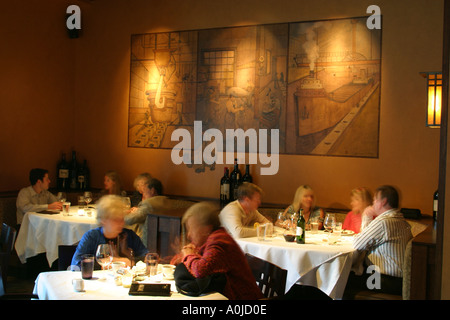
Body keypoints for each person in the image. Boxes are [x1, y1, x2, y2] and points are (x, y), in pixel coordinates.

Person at [172, 202, 263, 300]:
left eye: (192, 229)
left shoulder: (220, 241)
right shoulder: (210, 240)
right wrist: (185, 255)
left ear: (206, 228)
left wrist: (189, 256)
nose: (189, 235)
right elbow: (177, 261)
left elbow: (200, 270)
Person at [350, 185, 413, 295]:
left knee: (343, 278)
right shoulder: (401, 220)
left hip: (383, 281)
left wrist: (366, 216)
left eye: (375, 199)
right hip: (398, 280)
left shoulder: (384, 222)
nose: (373, 203)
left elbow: (358, 243)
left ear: (383, 202)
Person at [71, 195, 148, 269]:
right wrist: (116, 261)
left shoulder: (129, 235)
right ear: (103, 220)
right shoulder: (91, 237)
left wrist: (127, 256)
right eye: (115, 220)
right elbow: (76, 264)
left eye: (122, 219)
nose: (121, 223)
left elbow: (146, 258)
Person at [124, 178, 167, 244]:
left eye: (144, 190)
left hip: (145, 242)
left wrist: (122, 214)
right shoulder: (165, 201)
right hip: (162, 241)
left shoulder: (149, 204)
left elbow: (129, 220)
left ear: (152, 191)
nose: (142, 193)